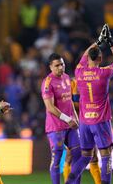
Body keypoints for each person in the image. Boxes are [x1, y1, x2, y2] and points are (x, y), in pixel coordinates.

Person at [66, 24, 113, 184]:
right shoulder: (104, 73)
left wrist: (98, 42)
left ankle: (69, 182)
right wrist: (110, 43)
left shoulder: (79, 72)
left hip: (85, 122)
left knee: (86, 156)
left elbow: (83, 57)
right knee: (106, 155)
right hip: (101, 121)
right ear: (100, 59)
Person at [41, 53, 81, 184]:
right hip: (56, 127)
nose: (60, 67)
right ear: (50, 67)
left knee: (79, 156)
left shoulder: (67, 78)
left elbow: (69, 102)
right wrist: (67, 119)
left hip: (70, 126)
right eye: (57, 65)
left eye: (62, 64)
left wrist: (75, 118)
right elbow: (50, 107)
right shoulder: (48, 82)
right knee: (58, 157)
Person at [63, 79, 101, 184]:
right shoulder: (70, 84)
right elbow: (70, 106)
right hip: (74, 124)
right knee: (70, 156)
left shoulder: (92, 83)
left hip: (88, 121)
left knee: (93, 156)